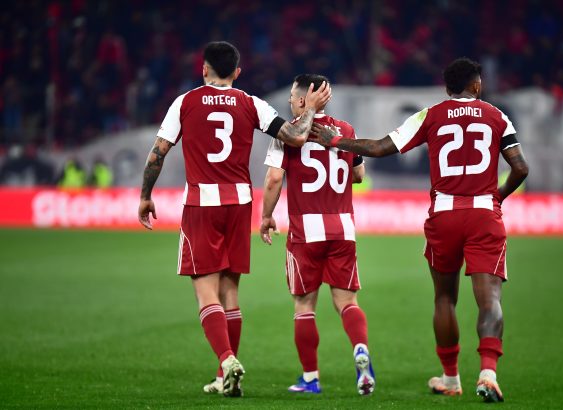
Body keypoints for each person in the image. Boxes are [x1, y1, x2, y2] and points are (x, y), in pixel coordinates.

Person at [310, 57, 529, 403]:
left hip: (443, 216)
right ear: (476, 85)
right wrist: (497, 197)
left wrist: (337, 141)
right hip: (484, 215)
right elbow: (520, 168)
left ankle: (451, 378)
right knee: (490, 299)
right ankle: (488, 373)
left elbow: (379, 147)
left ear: (447, 88)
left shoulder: (431, 115)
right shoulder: (497, 116)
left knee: (444, 298)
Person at [137, 41, 331, 398]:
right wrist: (312, 110)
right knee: (230, 292)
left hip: (202, 203)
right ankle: (224, 376)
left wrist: (146, 195)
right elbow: (296, 137)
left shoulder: (185, 102)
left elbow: (158, 153)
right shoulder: (251, 103)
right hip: (240, 203)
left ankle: (227, 361)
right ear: (237, 72)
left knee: (205, 292)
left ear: (203, 68)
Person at [260, 74, 375, 396]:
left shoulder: (288, 133)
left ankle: (310, 378)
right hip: (342, 227)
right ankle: (361, 350)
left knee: (304, 305)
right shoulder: (346, 130)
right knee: (347, 302)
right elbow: (359, 174)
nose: (288, 102)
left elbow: (273, 179)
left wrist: (266, 216)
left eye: (291, 97)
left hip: (305, 230)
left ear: (302, 100)